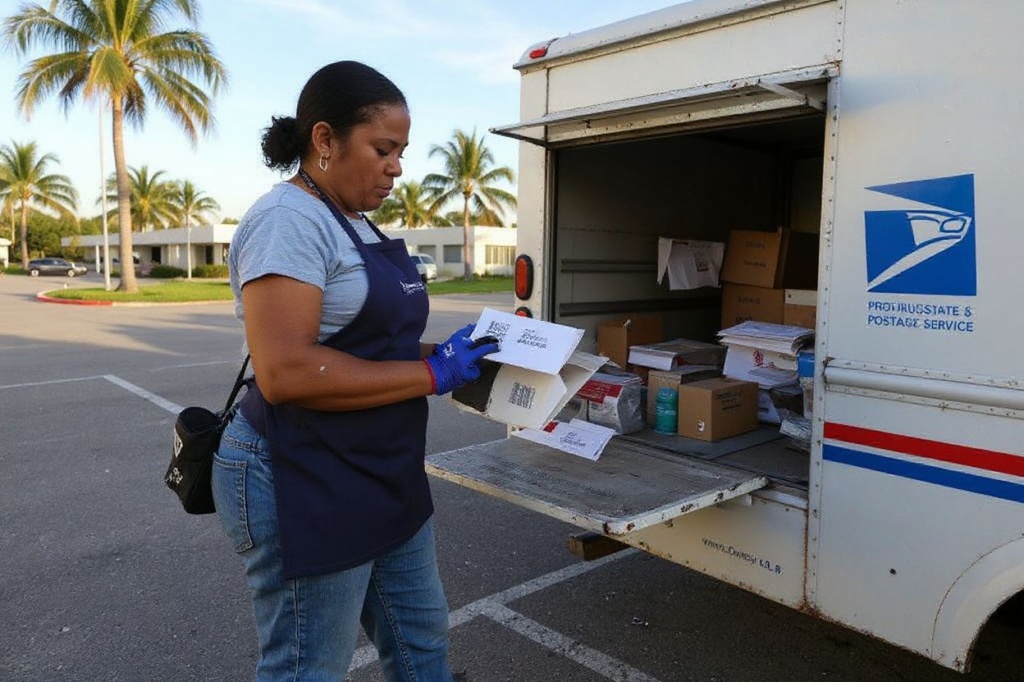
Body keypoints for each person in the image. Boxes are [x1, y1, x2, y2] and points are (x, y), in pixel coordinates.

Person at [212, 60, 499, 681]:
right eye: (383, 149)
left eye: (401, 151)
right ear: (324, 140)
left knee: (421, 641)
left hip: (379, 469)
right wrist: (431, 377)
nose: (397, 166)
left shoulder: (357, 221)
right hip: (302, 473)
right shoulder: (289, 220)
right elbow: (286, 369)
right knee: (308, 666)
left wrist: (444, 353)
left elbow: (369, 344)